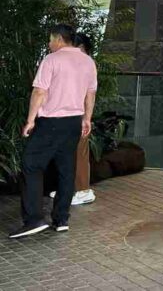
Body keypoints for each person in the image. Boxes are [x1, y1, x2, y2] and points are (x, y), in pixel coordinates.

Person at [9, 24, 97, 239]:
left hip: (51, 122)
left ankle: (33, 220)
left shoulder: (52, 60)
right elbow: (90, 93)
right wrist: (87, 118)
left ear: (58, 39)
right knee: (66, 170)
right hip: (73, 123)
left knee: (30, 164)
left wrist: (30, 120)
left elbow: (39, 91)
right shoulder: (88, 61)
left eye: (50, 40)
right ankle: (61, 219)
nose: (49, 44)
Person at [49, 32, 97, 206]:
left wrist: (86, 117)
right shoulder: (82, 64)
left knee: (79, 152)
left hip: (79, 113)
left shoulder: (85, 64)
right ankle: (70, 189)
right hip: (71, 113)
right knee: (68, 152)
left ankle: (83, 190)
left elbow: (89, 93)